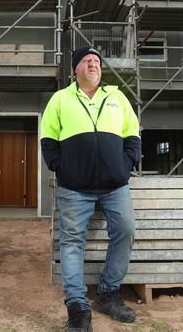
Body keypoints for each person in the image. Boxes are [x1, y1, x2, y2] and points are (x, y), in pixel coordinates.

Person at [40, 46, 141, 331]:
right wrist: (60, 166)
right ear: (76, 69)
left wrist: (125, 164)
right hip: (74, 186)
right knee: (72, 243)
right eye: (86, 61)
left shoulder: (117, 97)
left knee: (126, 230)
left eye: (96, 61)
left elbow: (132, 134)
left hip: (115, 184)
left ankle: (108, 294)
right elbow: (47, 137)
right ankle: (78, 308)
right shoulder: (60, 99)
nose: (93, 64)